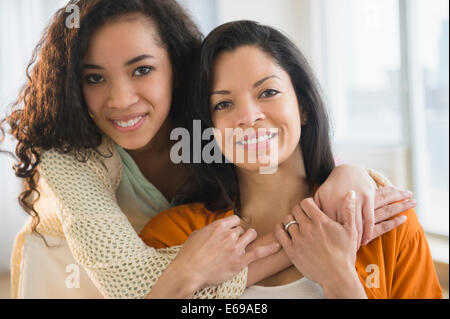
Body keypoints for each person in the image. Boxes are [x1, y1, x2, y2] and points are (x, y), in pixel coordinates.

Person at [1, 0, 412, 299]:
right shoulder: (73, 157)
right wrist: (310, 248)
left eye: (142, 69)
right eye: (94, 78)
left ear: (176, 70)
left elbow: (277, 144)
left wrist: (351, 176)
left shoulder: (198, 121)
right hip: (73, 277)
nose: (121, 99)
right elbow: (133, 286)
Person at [140, 21, 443, 299]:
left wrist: (339, 280)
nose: (248, 116)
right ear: (211, 129)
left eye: (268, 91)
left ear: (303, 107)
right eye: (224, 103)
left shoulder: (382, 222)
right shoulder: (173, 237)